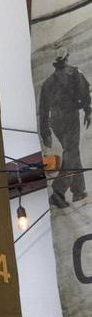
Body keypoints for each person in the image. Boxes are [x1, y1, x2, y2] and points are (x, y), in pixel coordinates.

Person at [39, 46, 92, 208]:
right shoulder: (75, 73)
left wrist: (45, 130)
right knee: (72, 152)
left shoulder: (47, 83)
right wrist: (88, 111)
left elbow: (43, 109)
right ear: (67, 57)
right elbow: (85, 93)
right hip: (70, 118)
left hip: (55, 121)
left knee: (71, 152)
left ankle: (78, 191)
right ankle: (58, 191)